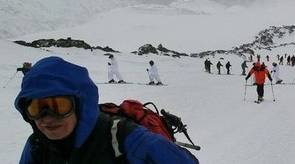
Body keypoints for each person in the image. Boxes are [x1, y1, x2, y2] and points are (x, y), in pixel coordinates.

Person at [14, 56, 198, 164]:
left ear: (79, 105)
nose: (46, 119)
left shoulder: (123, 138)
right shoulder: (36, 147)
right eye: (36, 108)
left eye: (58, 106)